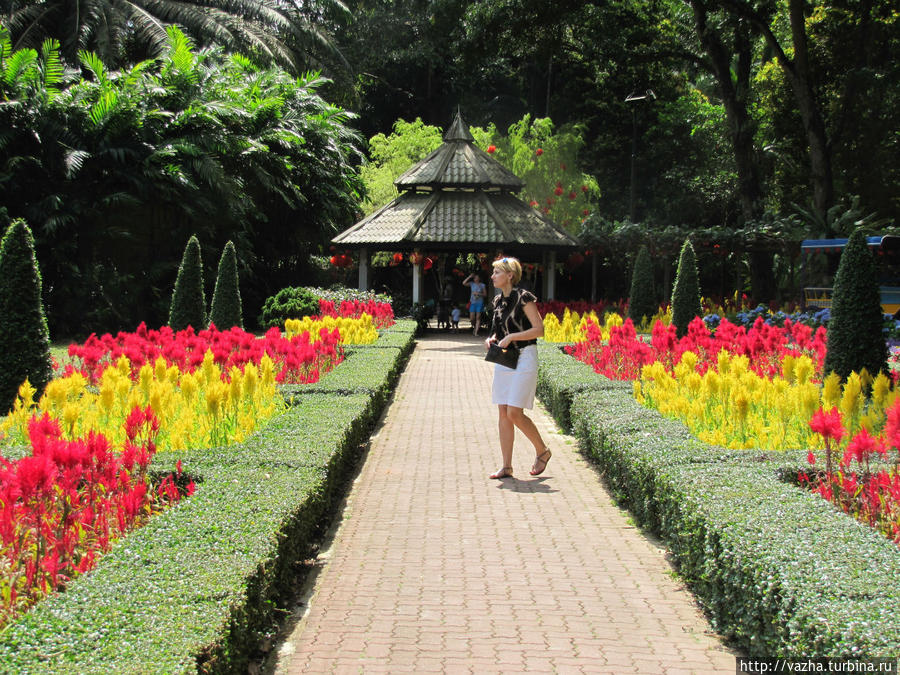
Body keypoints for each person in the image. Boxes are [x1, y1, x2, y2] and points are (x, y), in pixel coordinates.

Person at [483, 257, 551, 479]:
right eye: (493, 273)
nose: (492, 276)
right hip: (505, 358)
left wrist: (512, 336)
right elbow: (498, 331)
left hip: (525, 356)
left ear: (510, 275)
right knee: (503, 410)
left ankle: (542, 451)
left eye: (497, 272)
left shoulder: (524, 297)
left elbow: (539, 330)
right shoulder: (497, 302)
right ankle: (506, 466)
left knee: (514, 412)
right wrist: (491, 339)